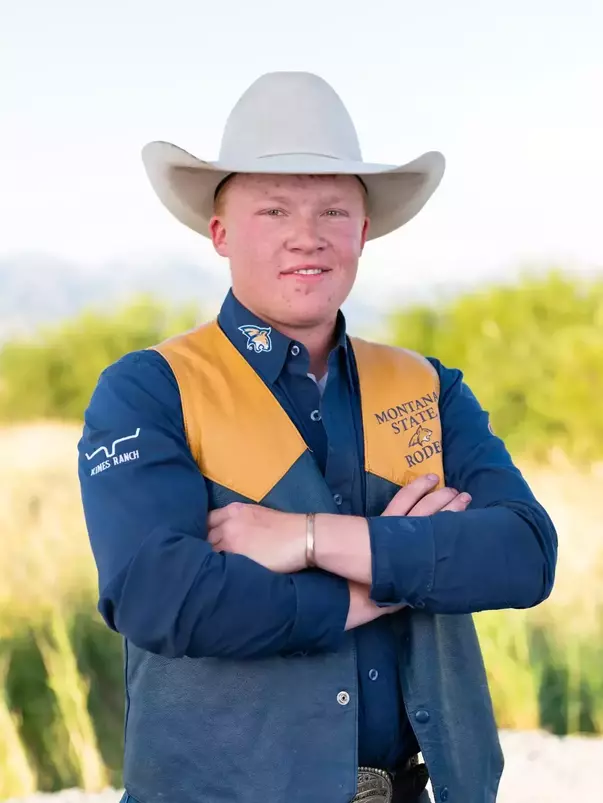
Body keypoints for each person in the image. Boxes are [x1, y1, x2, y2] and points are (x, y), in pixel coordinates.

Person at [77, 71, 558, 803]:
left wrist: (307, 537)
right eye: (273, 209)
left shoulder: (428, 387)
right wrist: (374, 591)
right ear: (220, 232)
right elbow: (162, 598)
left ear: (363, 232)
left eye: (334, 210)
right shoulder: (148, 389)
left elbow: (523, 554)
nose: (307, 236)